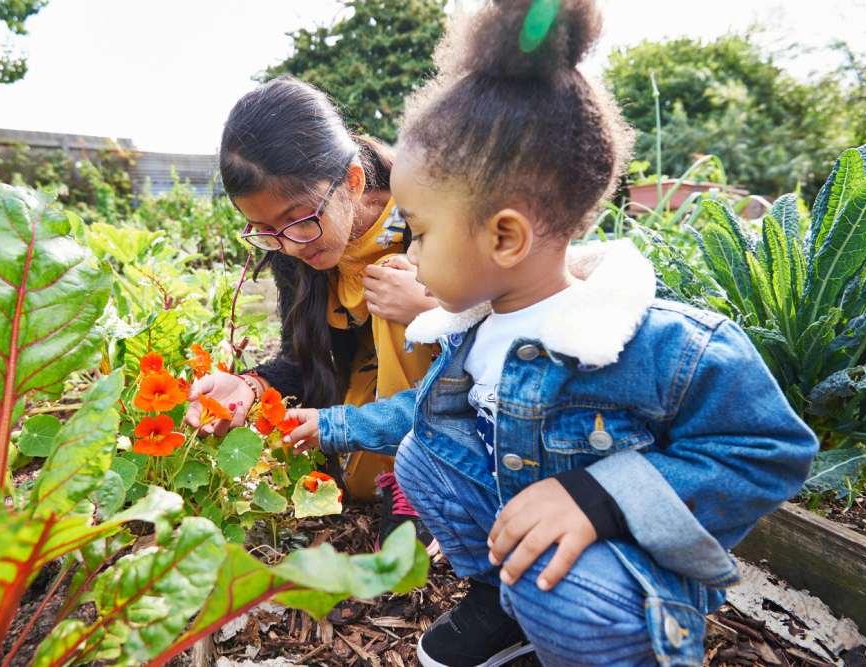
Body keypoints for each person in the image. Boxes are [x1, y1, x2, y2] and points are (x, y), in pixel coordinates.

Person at [279, 0, 820, 665]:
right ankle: (506, 606)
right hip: (539, 542)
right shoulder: (477, 327)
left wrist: (600, 496)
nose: (409, 255)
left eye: (419, 232)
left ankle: (601, 640)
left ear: (504, 235)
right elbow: (419, 414)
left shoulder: (656, 343)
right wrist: (328, 425)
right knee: (425, 450)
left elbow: (772, 448)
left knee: (564, 593)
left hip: (618, 576)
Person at [185, 75, 441, 552]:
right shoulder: (292, 247)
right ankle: (395, 467)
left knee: (393, 277)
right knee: (357, 476)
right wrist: (250, 384)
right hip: (375, 382)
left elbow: (512, 316)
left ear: (352, 181)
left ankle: (421, 475)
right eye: (264, 230)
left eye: (298, 220)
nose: (286, 245)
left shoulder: (430, 211)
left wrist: (431, 307)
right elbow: (305, 361)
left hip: (453, 388)